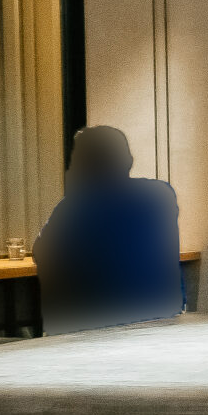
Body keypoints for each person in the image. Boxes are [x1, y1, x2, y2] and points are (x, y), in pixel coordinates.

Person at [33, 126, 185, 335]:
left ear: (85, 166)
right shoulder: (161, 194)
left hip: (100, 325)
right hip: (163, 317)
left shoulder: (77, 207)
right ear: (129, 161)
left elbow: (41, 252)